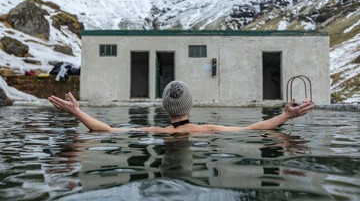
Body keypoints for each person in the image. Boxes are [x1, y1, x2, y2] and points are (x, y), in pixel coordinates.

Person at [48, 80, 314, 133]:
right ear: (191, 104)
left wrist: (77, 111)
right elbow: (253, 128)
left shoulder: (154, 131)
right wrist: (284, 116)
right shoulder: (207, 129)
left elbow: (106, 130)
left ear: (165, 107)